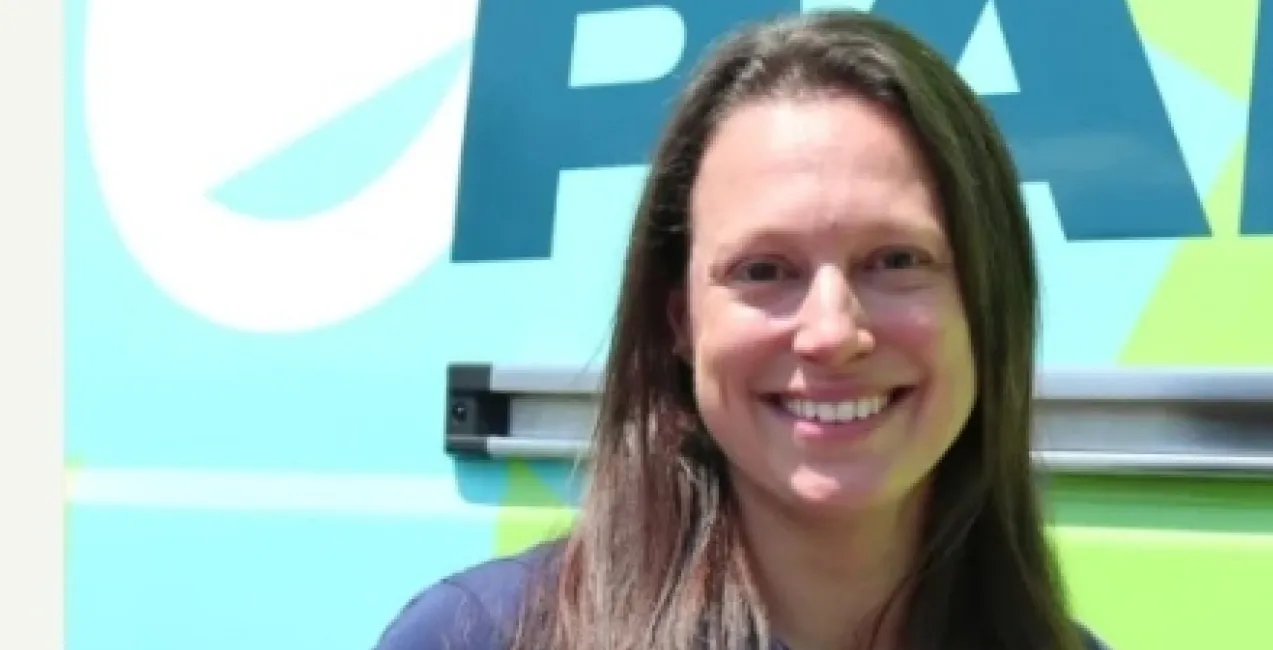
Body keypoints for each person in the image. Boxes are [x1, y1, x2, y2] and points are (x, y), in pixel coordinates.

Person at [376, 9, 1109, 650]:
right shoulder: (482, 637)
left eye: (895, 260)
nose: (832, 331)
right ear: (680, 323)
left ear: (986, 303)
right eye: (764, 270)